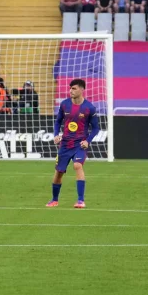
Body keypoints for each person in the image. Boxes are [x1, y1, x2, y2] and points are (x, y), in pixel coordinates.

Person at [48, 78, 100, 209]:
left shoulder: (89, 108)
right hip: (65, 144)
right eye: (70, 88)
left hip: (79, 144)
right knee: (59, 172)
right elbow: (58, 122)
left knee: (77, 165)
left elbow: (95, 128)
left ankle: (81, 200)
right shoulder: (64, 104)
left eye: (74, 88)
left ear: (82, 90)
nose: (71, 90)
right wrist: (56, 135)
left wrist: (87, 141)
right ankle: (54, 200)